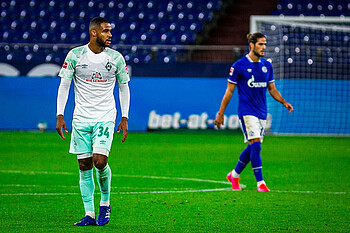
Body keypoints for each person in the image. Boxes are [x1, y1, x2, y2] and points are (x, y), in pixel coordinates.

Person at [56, 17, 130, 226]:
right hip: (81, 118)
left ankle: (105, 204)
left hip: (105, 116)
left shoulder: (116, 58)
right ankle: (89, 213)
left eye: (110, 31)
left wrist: (124, 117)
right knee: (84, 164)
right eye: (106, 31)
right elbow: (64, 86)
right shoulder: (75, 55)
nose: (110, 35)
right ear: (94, 33)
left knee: (100, 161)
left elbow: (124, 88)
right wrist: (59, 115)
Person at [214, 32, 293, 192]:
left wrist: (283, 101)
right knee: (256, 146)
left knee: (252, 147)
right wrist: (221, 113)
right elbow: (229, 91)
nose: (264, 47)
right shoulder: (239, 65)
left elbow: (271, 89)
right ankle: (260, 183)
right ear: (251, 45)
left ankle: (234, 175)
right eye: (260, 44)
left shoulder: (267, 66)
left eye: (265, 44)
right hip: (246, 111)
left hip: (261, 111)